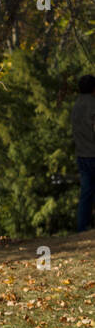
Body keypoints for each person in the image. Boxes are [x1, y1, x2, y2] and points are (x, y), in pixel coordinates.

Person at [71, 74, 95, 232]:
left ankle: (82, 227)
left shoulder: (76, 105)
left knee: (86, 193)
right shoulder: (93, 104)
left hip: (82, 153)